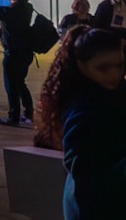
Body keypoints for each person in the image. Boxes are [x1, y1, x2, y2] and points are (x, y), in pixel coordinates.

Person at [33, 25, 126, 219]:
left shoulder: (111, 93)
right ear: (81, 65)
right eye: (103, 68)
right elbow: (87, 176)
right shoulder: (84, 111)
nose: (114, 75)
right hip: (94, 208)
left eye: (119, 66)